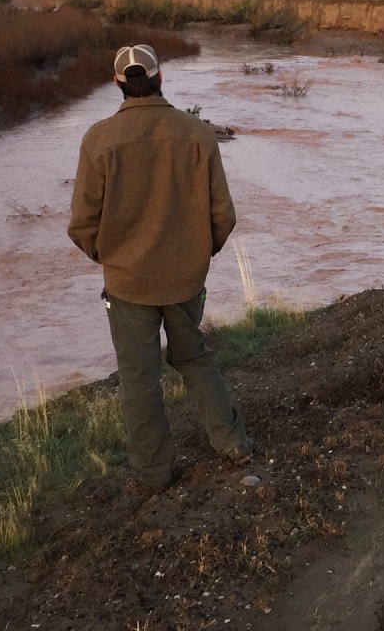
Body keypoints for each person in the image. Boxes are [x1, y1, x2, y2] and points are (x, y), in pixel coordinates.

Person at [68, 43, 252, 490]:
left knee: (139, 378)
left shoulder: (98, 140)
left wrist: (112, 258)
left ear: (117, 84)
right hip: (186, 279)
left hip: (128, 284)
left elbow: (82, 224)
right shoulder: (199, 135)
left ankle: (153, 475)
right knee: (196, 358)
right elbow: (223, 216)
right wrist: (196, 255)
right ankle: (234, 446)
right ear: (160, 78)